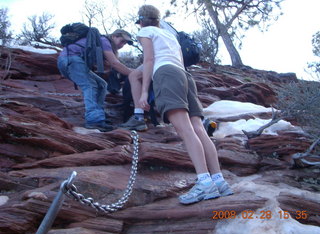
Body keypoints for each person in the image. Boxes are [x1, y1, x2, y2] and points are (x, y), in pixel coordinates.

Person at [133, 5, 233, 204]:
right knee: (199, 129)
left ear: (142, 20)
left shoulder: (145, 31)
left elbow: (150, 59)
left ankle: (204, 183)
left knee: (185, 130)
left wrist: (144, 91)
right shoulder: (170, 35)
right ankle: (219, 181)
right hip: (185, 76)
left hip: (166, 75)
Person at [57, 28, 133, 131]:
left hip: (70, 60)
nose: (122, 45)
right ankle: (94, 120)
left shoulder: (103, 41)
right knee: (90, 85)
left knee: (102, 85)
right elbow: (115, 64)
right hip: (71, 59)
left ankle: (99, 115)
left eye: (125, 43)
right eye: (122, 41)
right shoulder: (104, 41)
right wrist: (134, 74)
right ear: (114, 36)